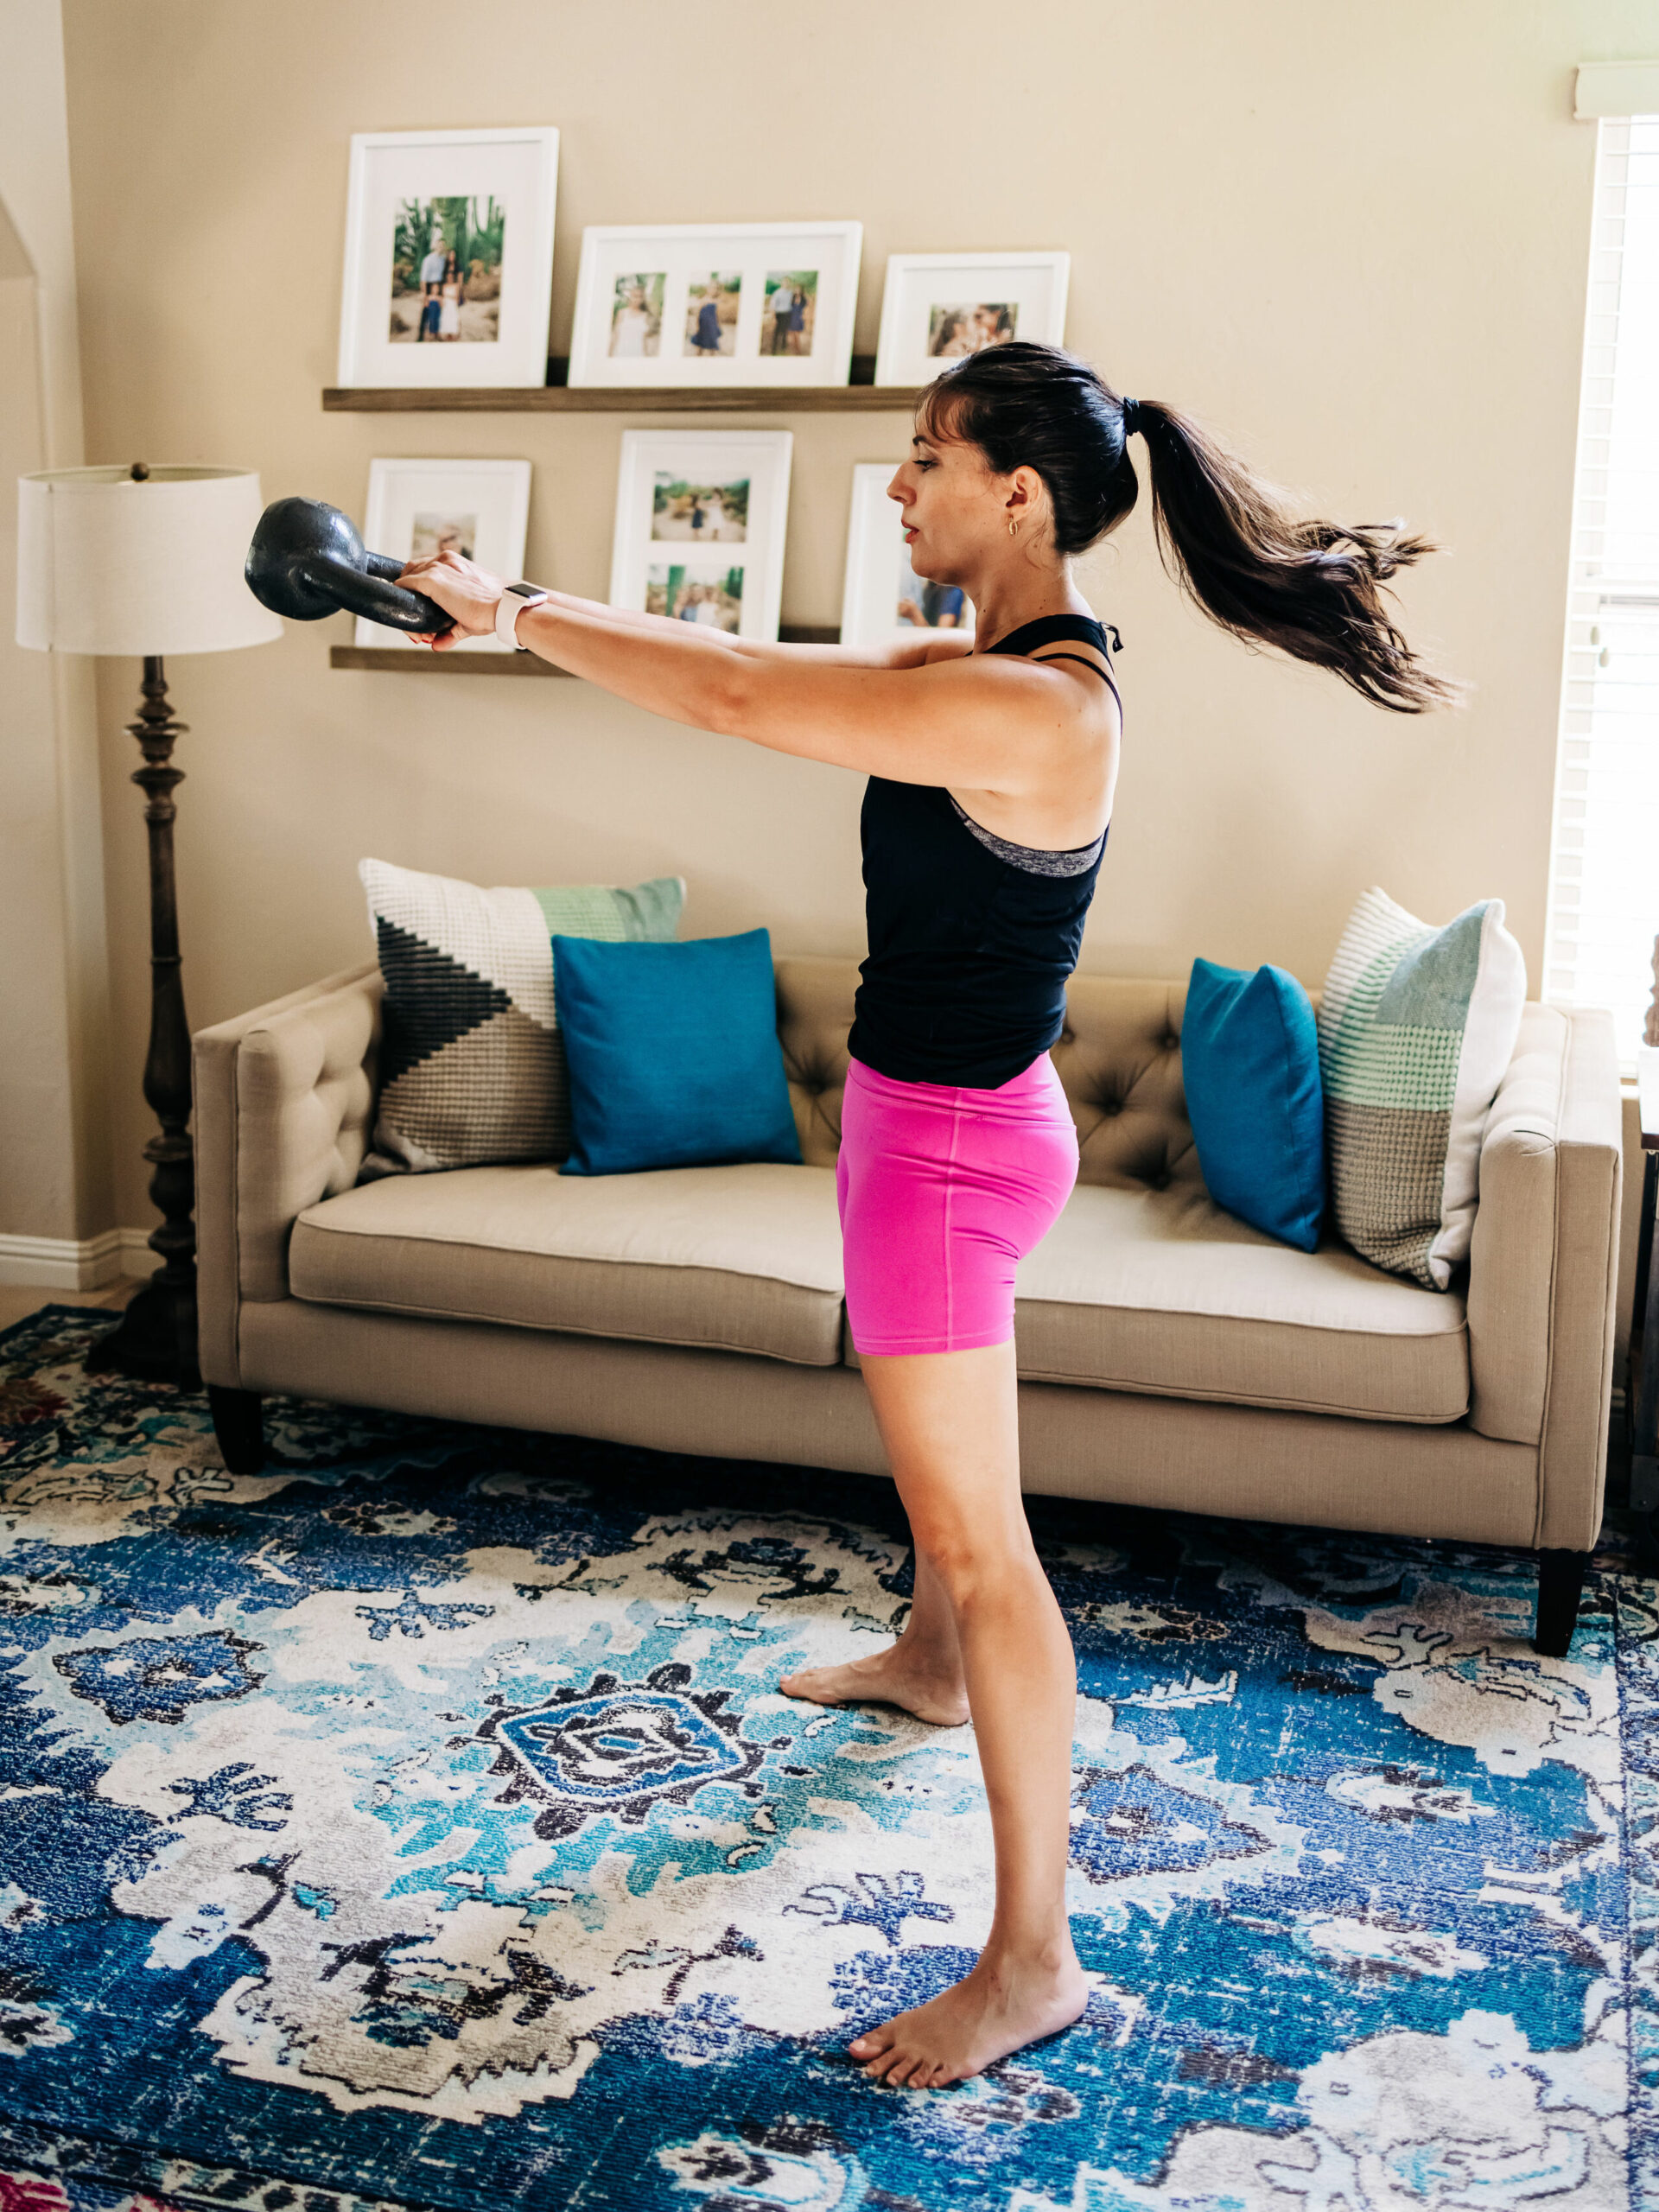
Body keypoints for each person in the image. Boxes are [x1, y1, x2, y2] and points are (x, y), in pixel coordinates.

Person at [398, 340, 1459, 2092]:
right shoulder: (1000, 669)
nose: (897, 487)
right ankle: (930, 1657)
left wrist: (512, 610)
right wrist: (514, 607)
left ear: (1018, 493)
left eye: (925, 457)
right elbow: (750, 667)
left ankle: (1033, 1959)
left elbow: (733, 697)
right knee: (950, 1504)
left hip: (947, 1156)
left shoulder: (1032, 711)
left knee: (985, 1536)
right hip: (960, 1126)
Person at [416, 235, 447, 342]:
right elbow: (423, 279)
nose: (441, 247)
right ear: (435, 246)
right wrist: (425, 294)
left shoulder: (443, 259)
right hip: (429, 285)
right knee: (426, 310)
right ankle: (420, 335)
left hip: (439, 285)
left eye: (443, 246)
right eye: (439, 245)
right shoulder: (428, 259)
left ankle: (436, 333)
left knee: (438, 310)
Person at [612, 283, 653, 358]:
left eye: (640, 297)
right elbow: (615, 336)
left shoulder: (645, 315)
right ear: (630, 296)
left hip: (639, 354)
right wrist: (610, 354)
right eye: (635, 296)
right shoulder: (622, 313)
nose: (637, 299)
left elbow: (644, 340)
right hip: (621, 353)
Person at [437, 251, 464, 341]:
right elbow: (442, 278)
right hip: (446, 288)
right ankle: (448, 332)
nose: (452, 256)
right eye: (450, 254)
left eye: (453, 254)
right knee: (446, 313)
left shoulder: (458, 266)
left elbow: (460, 280)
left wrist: (459, 293)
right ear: (448, 256)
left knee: (456, 313)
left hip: (455, 290)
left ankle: (457, 332)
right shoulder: (445, 266)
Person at [690, 287, 725, 356]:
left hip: (712, 325)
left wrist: (719, 324)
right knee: (700, 346)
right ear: (707, 290)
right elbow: (698, 313)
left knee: (713, 346)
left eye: (714, 289)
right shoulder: (704, 299)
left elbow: (716, 314)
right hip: (704, 325)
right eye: (711, 289)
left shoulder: (716, 300)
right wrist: (697, 325)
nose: (713, 291)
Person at [769, 283, 796, 353]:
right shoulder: (777, 293)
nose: (786, 284)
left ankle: (783, 347)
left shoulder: (790, 293)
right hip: (780, 314)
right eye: (785, 283)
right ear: (782, 284)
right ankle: (774, 348)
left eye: (787, 283)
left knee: (785, 331)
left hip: (788, 314)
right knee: (777, 332)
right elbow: (773, 305)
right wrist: (773, 317)